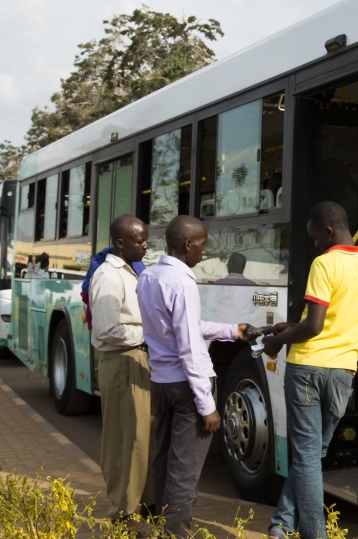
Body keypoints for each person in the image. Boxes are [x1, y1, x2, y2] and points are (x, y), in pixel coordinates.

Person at [263, 202, 358, 539]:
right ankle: (282, 525)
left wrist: (277, 342)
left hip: (307, 368)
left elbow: (315, 327)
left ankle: (314, 535)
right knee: (311, 455)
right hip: (344, 371)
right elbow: (343, 316)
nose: (314, 243)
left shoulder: (324, 263)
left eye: (315, 237)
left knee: (306, 457)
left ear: (328, 231)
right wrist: (292, 326)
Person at [137, 215, 250, 536]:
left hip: (161, 382)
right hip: (188, 387)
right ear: (187, 244)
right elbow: (188, 345)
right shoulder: (182, 282)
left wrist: (231, 331)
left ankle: (164, 520)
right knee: (185, 466)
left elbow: (182, 329)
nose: (204, 251)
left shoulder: (149, 277)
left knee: (163, 457)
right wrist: (206, 405)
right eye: (202, 244)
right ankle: (177, 529)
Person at [90, 216, 155, 521]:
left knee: (142, 438)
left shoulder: (131, 272)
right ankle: (123, 514)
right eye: (139, 240)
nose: (145, 245)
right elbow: (106, 329)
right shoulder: (108, 276)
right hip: (123, 361)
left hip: (136, 360)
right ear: (119, 243)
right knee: (125, 441)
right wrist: (149, 333)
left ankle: (143, 504)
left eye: (145, 239)